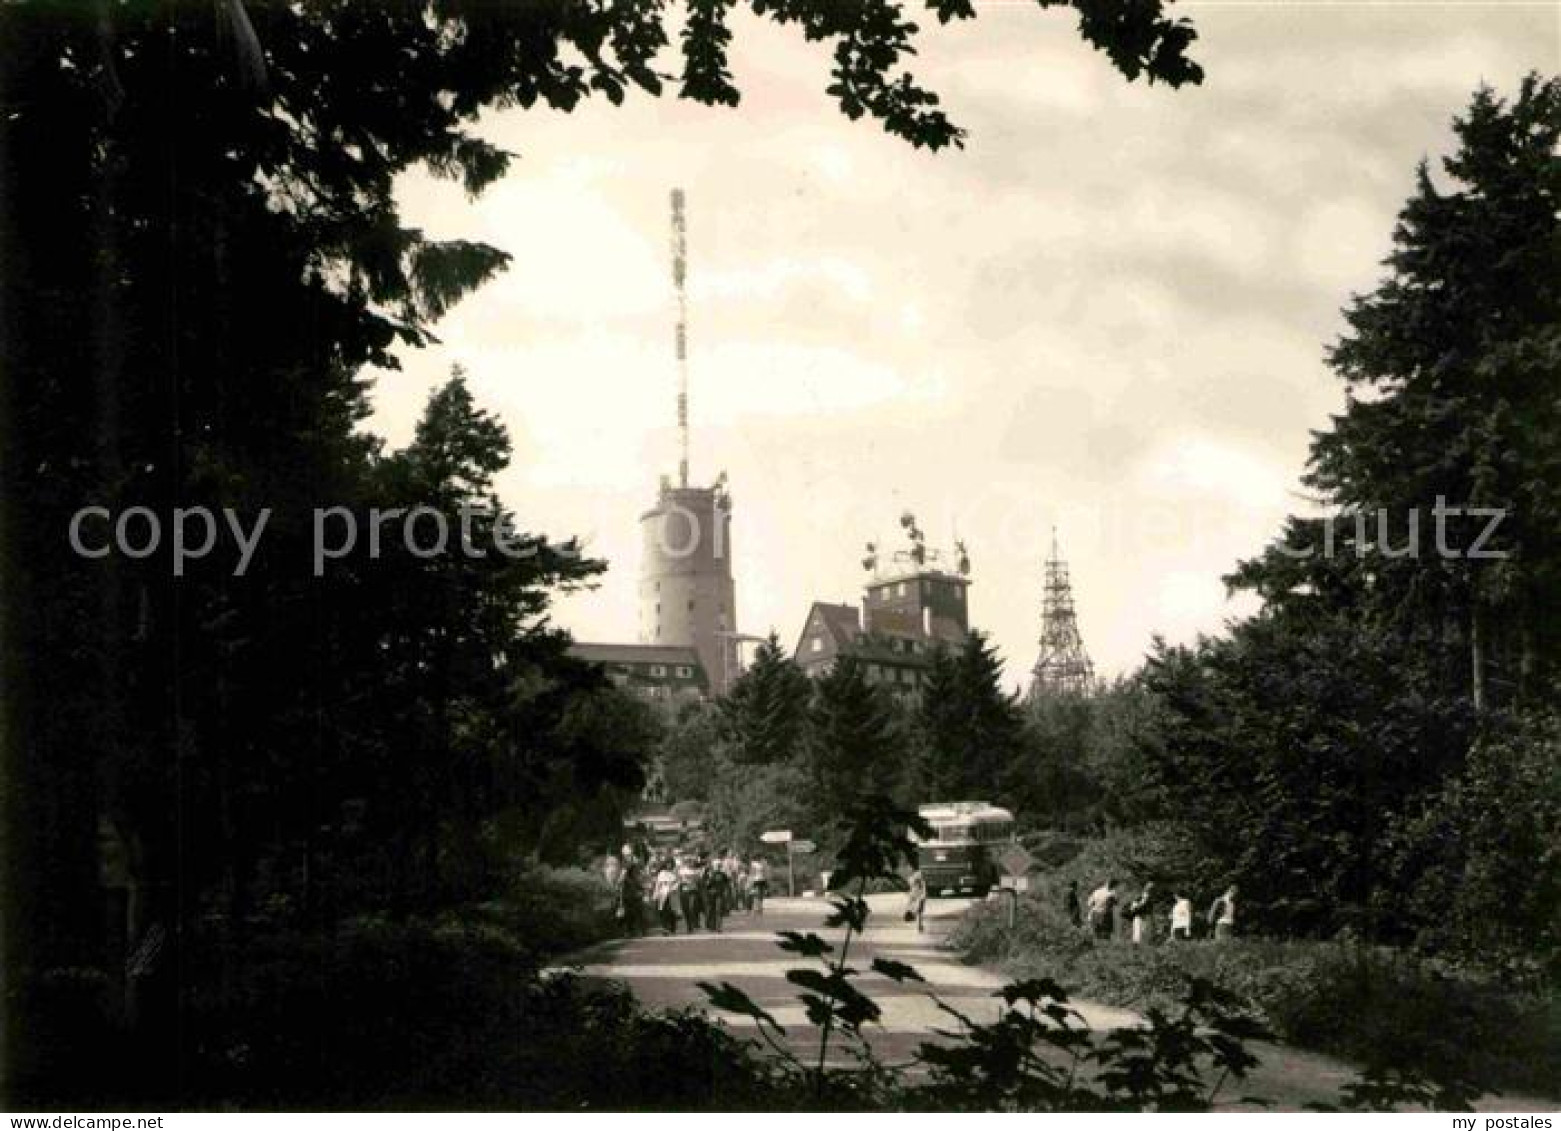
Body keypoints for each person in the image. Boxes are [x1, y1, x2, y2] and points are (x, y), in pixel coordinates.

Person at [651, 861, 680, 935]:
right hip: (663, 895)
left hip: (672, 895)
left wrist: (673, 888)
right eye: (667, 864)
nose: (669, 866)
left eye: (670, 864)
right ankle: (665, 928)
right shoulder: (661, 874)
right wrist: (655, 894)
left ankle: (672, 928)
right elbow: (658, 885)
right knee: (663, 912)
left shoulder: (674, 873)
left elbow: (677, 883)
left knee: (672, 912)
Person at [677, 854, 704, 932]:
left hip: (693, 892)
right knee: (686, 909)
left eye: (690, 861)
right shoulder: (681, 871)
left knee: (692, 908)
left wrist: (696, 881)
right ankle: (689, 926)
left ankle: (694, 923)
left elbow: (699, 881)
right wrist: (682, 883)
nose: (689, 863)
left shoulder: (695, 871)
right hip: (684, 891)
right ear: (685, 862)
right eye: (687, 861)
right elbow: (678, 881)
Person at [702, 860, 731, 931]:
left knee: (719, 910)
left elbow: (727, 883)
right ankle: (711, 926)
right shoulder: (708, 873)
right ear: (714, 866)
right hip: (710, 895)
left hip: (719, 894)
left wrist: (726, 891)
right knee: (711, 910)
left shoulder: (723, 874)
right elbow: (705, 884)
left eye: (719, 865)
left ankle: (718, 927)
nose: (718, 866)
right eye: (717, 865)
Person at [905, 868, 928, 933]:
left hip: (918, 896)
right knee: (919, 912)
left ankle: (919, 925)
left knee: (919, 912)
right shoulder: (914, 878)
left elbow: (921, 888)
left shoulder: (913, 878)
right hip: (918, 896)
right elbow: (912, 887)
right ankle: (919, 925)